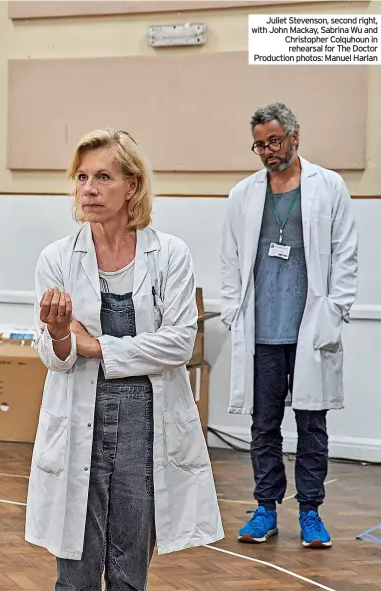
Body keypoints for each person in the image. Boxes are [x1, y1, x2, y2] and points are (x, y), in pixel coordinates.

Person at [25, 128, 224, 590]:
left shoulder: (169, 254)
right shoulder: (57, 258)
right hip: (80, 414)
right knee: (75, 565)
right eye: (81, 177)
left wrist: (93, 344)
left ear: (131, 186)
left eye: (102, 177)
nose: (88, 189)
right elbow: (55, 357)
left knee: (130, 561)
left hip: (145, 420)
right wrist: (59, 335)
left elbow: (178, 344)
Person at [220, 103, 358, 549]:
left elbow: (345, 255)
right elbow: (230, 259)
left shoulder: (329, 186)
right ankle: (265, 509)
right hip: (261, 330)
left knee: (311, 423)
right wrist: (230, 310)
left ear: (295, 136)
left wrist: (335, 312)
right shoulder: (243, 194)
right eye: (259, 144)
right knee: (264, 425)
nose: (267, 151)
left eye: (274, 141)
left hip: (310, 328)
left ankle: (312, 511)